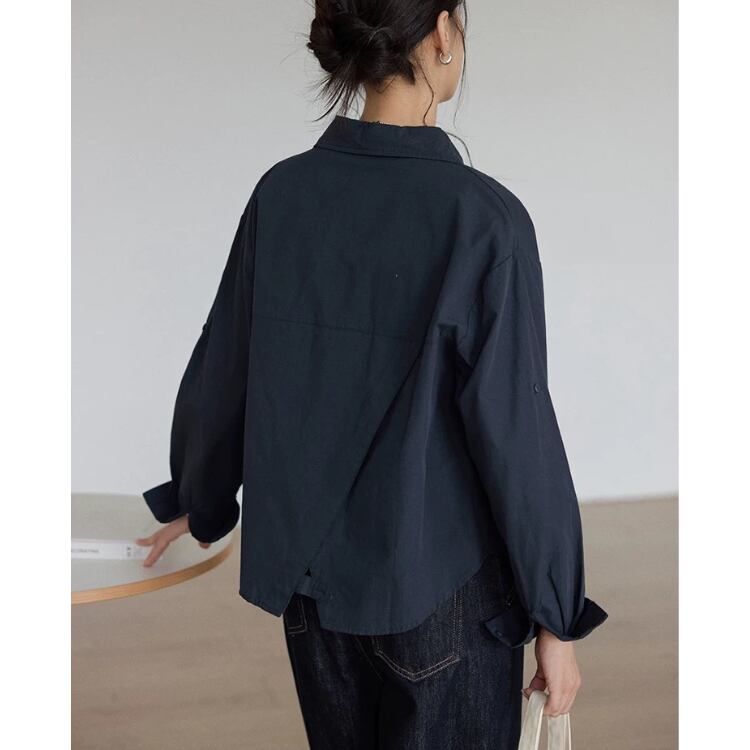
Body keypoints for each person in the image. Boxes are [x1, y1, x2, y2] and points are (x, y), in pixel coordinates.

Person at [137, 1, 608, 747]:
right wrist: (557, 615)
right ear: (443, 32)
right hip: (441, 590)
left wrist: (202, 496)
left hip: (311, 590)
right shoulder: (484, 219)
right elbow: (516, 433)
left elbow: (226, 366)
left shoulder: (282, 194)